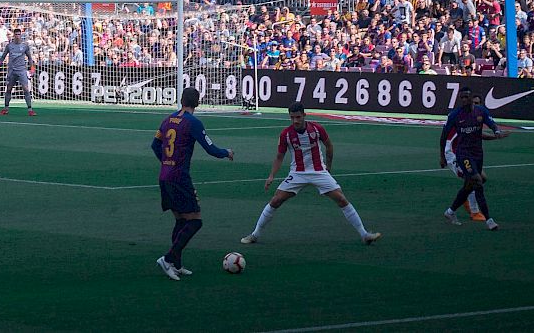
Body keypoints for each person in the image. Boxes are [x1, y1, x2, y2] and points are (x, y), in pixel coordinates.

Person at [240, 103, 380, 245]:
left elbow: (329, 146)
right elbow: (279, 156)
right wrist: (271, 176)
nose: (295, 120)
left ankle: (364, 234)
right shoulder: (286, 134)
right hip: (298, 173)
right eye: (292, 117)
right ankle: (255, 235)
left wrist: (328, 169)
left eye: (298, 117)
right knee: (276, 200)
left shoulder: (317, 129)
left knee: (341, 199)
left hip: (319, 171)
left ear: (304, 115)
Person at [150, 87, 234, 281]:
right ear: (197, 102)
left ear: (181, 100)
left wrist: (165, 162)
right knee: (195, 220)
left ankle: (177, 265)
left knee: (181, 220)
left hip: (164, 176)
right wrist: (226, 152)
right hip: (179, 177)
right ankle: (168, 259)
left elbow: (155, 145)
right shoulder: (193, 122)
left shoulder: (168, 119)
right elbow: (210, 148)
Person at [442, 88, 508, 230]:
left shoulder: (481, 112)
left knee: (477, 180)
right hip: (457, 153)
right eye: (463, 97)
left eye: (468, 97)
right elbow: (445, 137)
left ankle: (451, 211)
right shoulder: (456, 115)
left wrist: (496, 132)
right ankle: (485, 217)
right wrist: (442, 156)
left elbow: (486, 128)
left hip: (476, 153)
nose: (465, 100)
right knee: (476, 180)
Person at [0, 28, 35, 116]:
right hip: (12, 71)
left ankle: (30, 110)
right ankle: (5, 109)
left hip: (21, 70)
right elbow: (2, 57)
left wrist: (32, 69)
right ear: (14, 35)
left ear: (21, 35)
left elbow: (29, 58)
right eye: (16, 34)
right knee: (9, 89)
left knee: (26, 89)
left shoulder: (25, 46)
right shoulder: (9, 46)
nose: (17, 36)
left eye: (19, 34)